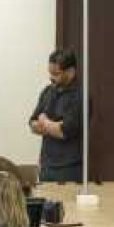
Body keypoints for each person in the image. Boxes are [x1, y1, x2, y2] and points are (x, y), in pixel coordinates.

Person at [29, 49, 83, 183]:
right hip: (46, 166)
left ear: (70, 72)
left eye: (56, 74)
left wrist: (44, 121)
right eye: (50, 72)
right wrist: (52, 126)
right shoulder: (47, 91)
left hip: (69, 169)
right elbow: (32, 123)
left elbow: (64, 131)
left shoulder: (80, 96)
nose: (51, 77)